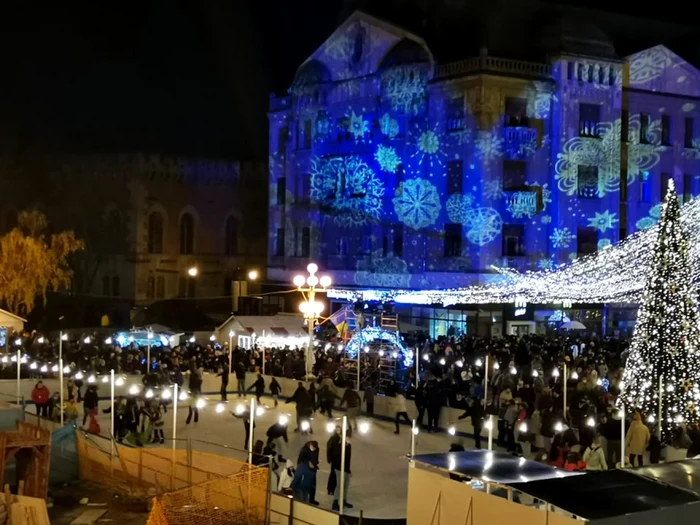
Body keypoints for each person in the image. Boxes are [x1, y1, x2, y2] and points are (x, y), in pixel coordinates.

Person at [330, 431, 353, 511]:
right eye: (348, 437)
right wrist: (342, 469)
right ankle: (335, 502)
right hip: (339, 469)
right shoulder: (339, 445)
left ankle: (344, 500)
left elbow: (348, 459)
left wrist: (348, 470)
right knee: (339, 485)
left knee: (346, 485)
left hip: (346, 469)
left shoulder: (349, 445)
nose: (349, 439)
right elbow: (336, 458)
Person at [297, 441, 320, 505]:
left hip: (313, 470)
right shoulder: (304, 450)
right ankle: (304, 499)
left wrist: (314, 464)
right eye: (312, 448)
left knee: (313, 486)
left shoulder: (317, 449)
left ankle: (312, 499)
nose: (313, 449)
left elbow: (316, 458)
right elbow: (300, 461)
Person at [326, 425, 341, 495]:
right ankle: (331, 489)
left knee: (335, 474)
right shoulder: (334, 438)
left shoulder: (340, 437)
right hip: (335, 459)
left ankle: (332, 488)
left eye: (339, 429)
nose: (338, 431)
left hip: (338, 459)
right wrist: (329, 458)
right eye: (337, 429)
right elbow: (329, 448)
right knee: (334, 474)